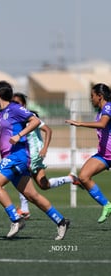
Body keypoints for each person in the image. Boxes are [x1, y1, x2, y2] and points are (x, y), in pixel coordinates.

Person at [0, 80, 70, 240]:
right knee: (32, 195)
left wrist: (20, 135)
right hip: (11, 157)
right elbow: (5, 140)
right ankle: (61, 221)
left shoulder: (14, 108)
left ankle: (16, 219)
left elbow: (35, 120)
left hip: (18, 157)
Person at [12, 93, 83, 219]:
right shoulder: (15, 119)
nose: (15, 105)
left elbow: (48, 130)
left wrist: (45, 148)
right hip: (27, 154)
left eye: (18, 103)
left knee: (21, 175)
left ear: (24, 105)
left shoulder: (31, 117)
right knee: (44, 185)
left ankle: (24, 209)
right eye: (13, 103)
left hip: (34, 154)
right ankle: (70, 179)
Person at [65, 83, 111, 223]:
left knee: (83, 178)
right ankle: (107, 205)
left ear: (100, 96)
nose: (91, 99)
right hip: (104, 155)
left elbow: (102, 124)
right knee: (84, 177)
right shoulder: (101, 110)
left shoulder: (108, 107)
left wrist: (79, 123)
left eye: (92, 96)